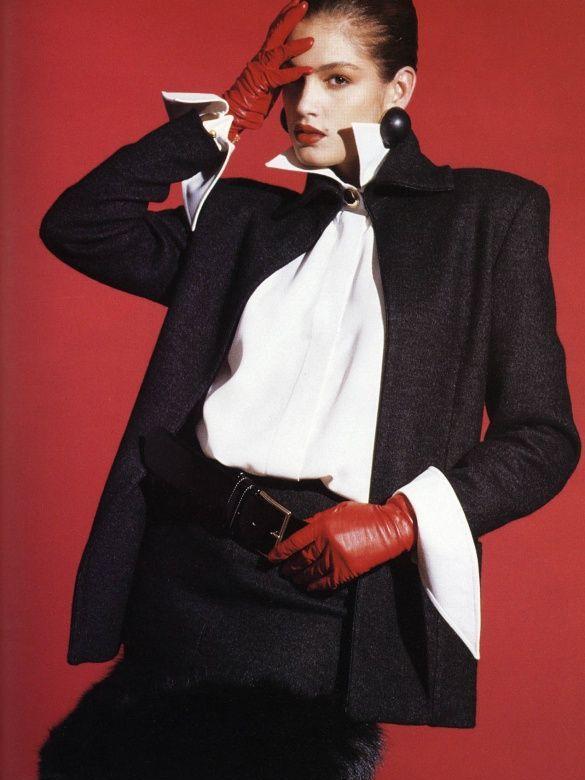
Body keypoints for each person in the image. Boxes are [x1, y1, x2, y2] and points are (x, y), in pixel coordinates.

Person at [37, 0, 580, 778]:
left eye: (336, 78)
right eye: (291, 82)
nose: (305, 105)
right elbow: (81, 225)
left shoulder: (487, 217)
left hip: (324, 594)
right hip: (181, 579)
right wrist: (231, 111)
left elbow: (542, 439)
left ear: (399, 88)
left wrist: (401, 522)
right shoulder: (241, 222)